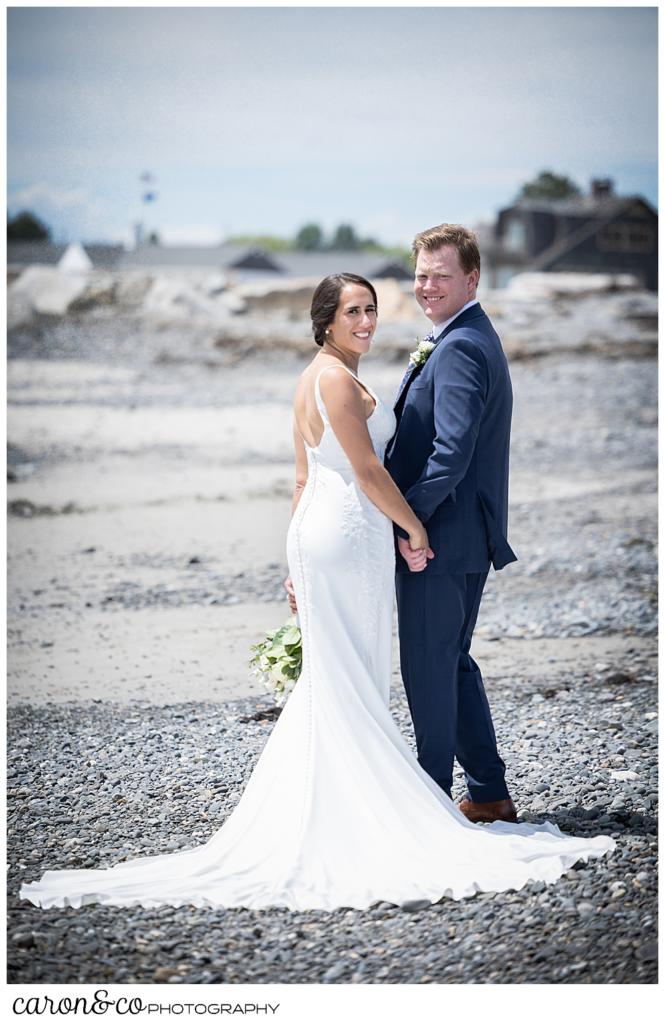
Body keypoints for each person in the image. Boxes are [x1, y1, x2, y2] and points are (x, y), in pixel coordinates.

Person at [20, 273, 613, 912]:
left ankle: (340, 797)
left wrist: (294, 556)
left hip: (322, 534)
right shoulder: (333, 378)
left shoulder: (315, 375)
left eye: (372, 310)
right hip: (349, 535)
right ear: (325, 318)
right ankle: (358, 808)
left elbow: (302, 479)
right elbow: (365, 470)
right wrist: (412, 526)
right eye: (353, 312)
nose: (366, 321)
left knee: (339, 673)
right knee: (350, 673)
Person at [385, 223, 518, 824]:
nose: (427, 286)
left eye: (441, 275)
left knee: (428, 667)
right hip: (462, 534)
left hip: (441, 536)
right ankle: (488, 792)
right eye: (420, 275)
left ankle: (432, 802)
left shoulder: (461, 345)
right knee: (451, 660)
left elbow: (452, 451)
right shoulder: (461, 334)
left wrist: (408, 521)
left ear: (472, 278)